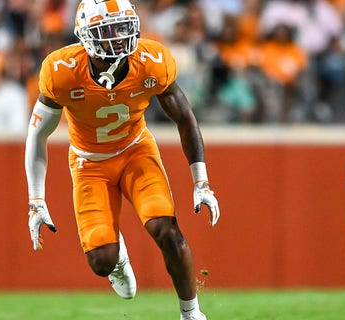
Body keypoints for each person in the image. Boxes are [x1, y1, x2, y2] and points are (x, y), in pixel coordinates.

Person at [23, 1, 221, 319]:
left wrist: (202, 181)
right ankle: (119, 259)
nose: (118, 37)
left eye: (122, 27)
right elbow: (37, 135)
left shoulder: (152, 59)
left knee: (166, 229)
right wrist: (36, 199)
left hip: (136, 152)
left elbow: (185, 118)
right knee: (101, 261)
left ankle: (191, 313)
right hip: (90, 164)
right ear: (85, 37)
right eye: (107, 30)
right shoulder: (61, 70)